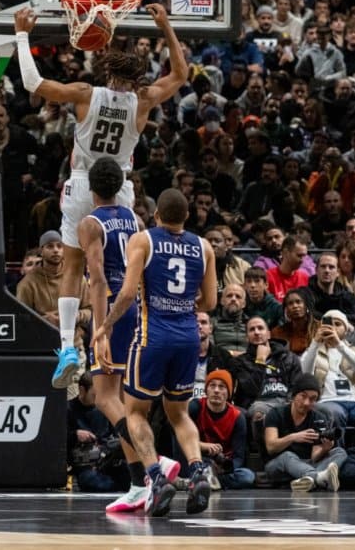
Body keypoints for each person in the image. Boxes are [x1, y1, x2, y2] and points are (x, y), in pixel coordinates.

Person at [14, 5, 189, 389]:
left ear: (108, 73)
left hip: (83, 185)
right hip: (121, 190)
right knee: (121, 270)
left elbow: (32, 81)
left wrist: (22, 34)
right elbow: (180, 74)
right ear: (136, 78)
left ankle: (67, 347)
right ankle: (127, 336)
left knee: (75, 267)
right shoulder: (143, 100)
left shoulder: (85, 93)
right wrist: (165, 26)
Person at [92, 189, 217, 517]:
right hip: (188, 336)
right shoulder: (204, 246)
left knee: (135, 412)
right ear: (187, 216)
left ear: (156, 215)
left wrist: (104, 326)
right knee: (180, 414)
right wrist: (182, 304)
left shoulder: (143, 240)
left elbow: (126, 294)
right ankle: (198, 471)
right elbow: (210, 302)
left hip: (153, 336)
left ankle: (156, 478)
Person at [77, 157, 178, 512]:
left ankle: (155, 464)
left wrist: (100, 330)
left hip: (111, 309)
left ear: (90, 188)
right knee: (123, 400)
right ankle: (138, 485)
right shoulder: (134, 219)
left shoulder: (90, 224)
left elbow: (98, 279)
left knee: (104, 398)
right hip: (135, 307)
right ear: (120, 186)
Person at [262, 373, 345, 492]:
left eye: (312, 399)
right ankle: (319, 478)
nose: (306, 403)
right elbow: (271, 447)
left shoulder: (318, 418)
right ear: (294, 395)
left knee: (339, 452)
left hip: (307, 464)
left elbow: (314, 457)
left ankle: (310, 480)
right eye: (303, 396)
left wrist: (324, 449)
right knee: (288, 456)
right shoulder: (275, 414)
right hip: (279, 466)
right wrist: (293, 437)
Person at [187, 369, 255, 490]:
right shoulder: (195, 407)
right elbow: (181, 439)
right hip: (197, 459)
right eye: (212, 386)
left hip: (221, 467)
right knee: (194, 465)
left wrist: (226, 468)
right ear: (206, 390)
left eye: (222, 387)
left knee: (247, 476)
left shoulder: (237, 417)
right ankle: (205, 477)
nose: (216, 390)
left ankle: (207, 480)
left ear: (228, 393)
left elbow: (238, 457)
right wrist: (202, 446)